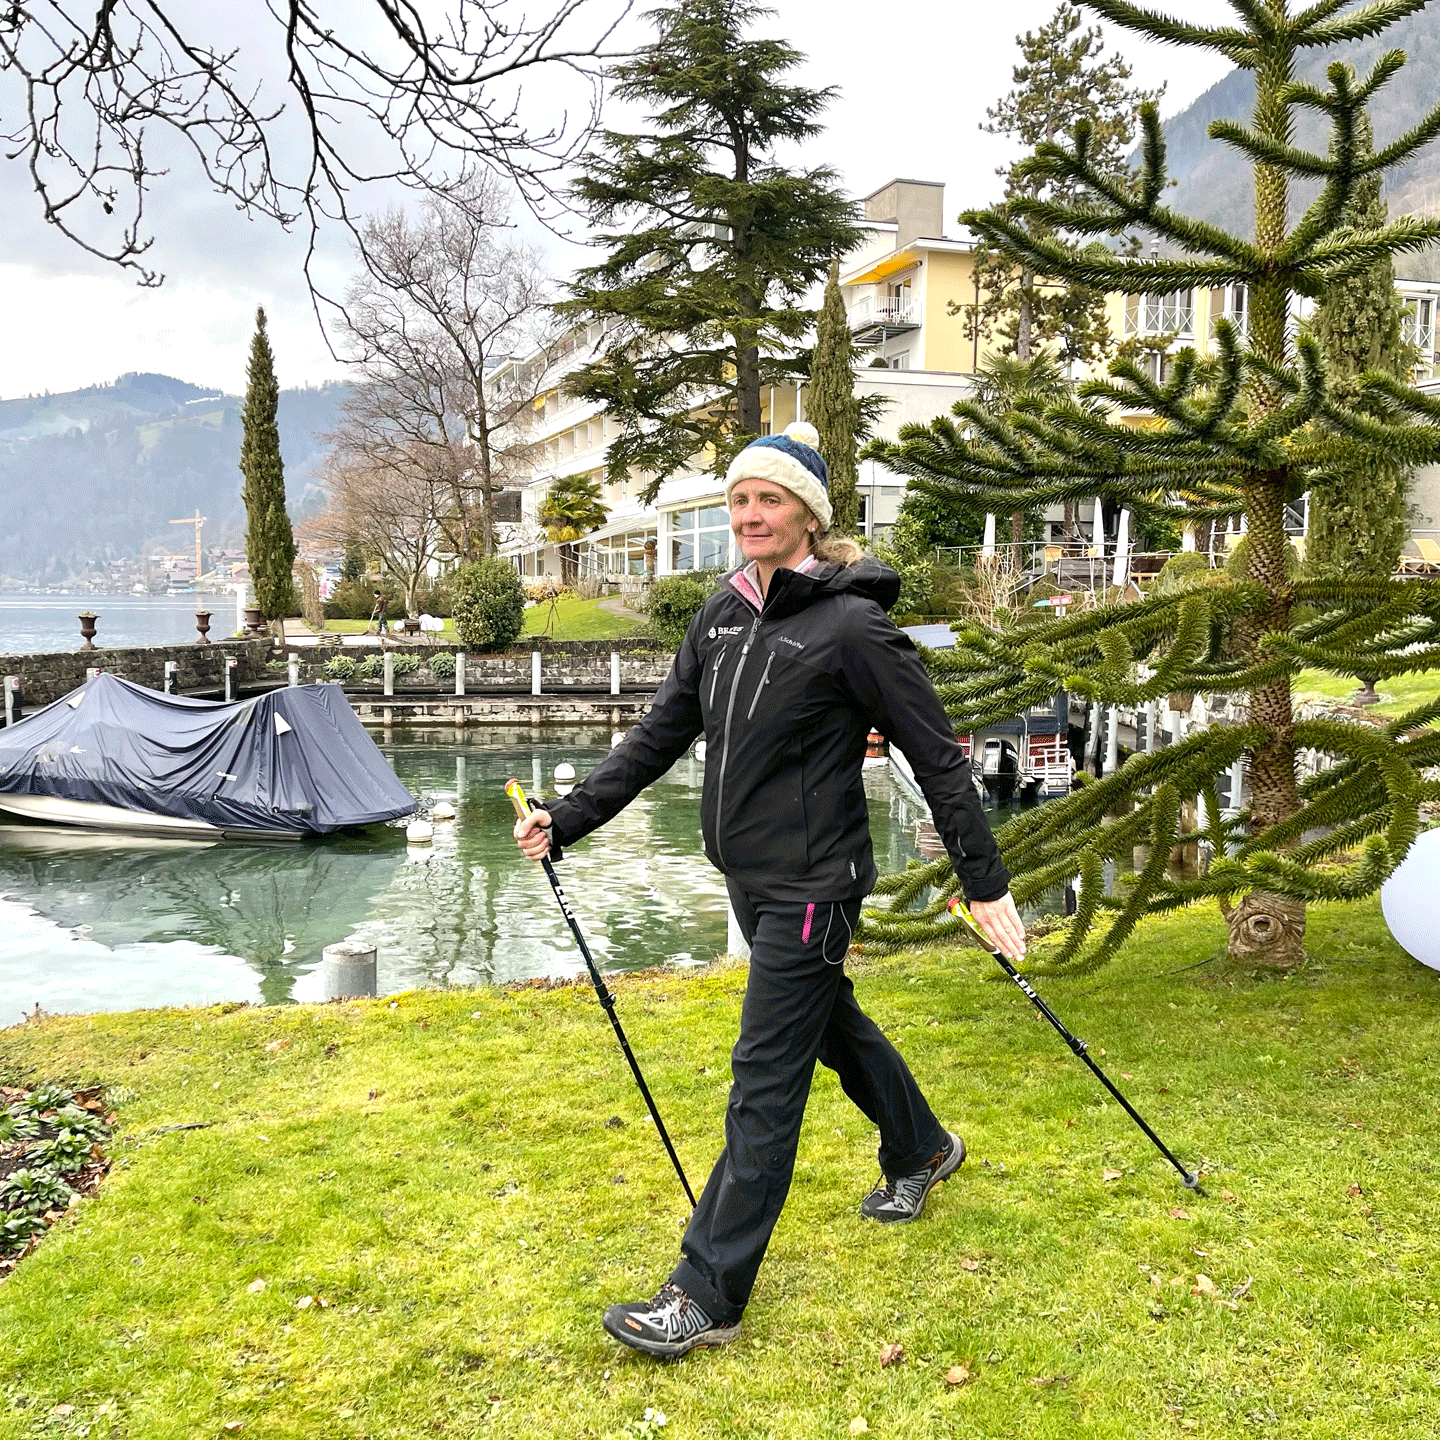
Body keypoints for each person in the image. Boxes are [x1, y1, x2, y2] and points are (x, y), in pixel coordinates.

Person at [513, 421, 1026, 1360]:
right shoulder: (718, 616)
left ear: (809, 515)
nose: (750, 514)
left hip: (814, 885)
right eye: (740, 500)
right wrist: (568, 817)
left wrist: (984, 884)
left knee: (764, 1081)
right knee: (832, 1023)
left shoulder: (852, 626)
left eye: (770, 499)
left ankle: (707, 1292)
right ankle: (921, 1147)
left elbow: (938, 758)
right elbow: (656, 738)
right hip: (749, 880)